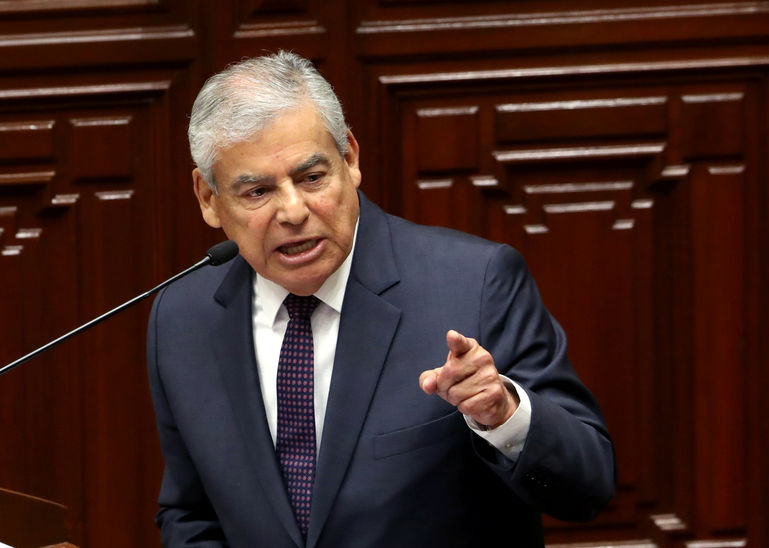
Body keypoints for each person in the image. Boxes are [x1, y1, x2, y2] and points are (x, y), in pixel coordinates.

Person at [146, 51, 615, 548]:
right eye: (258, 192)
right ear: (208, 199)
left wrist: (504, 416)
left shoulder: (474, 283)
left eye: (311, 178)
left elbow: (588, 486)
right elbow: (190, 511)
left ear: (349, 158)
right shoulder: (182, 318)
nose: (293, 211)